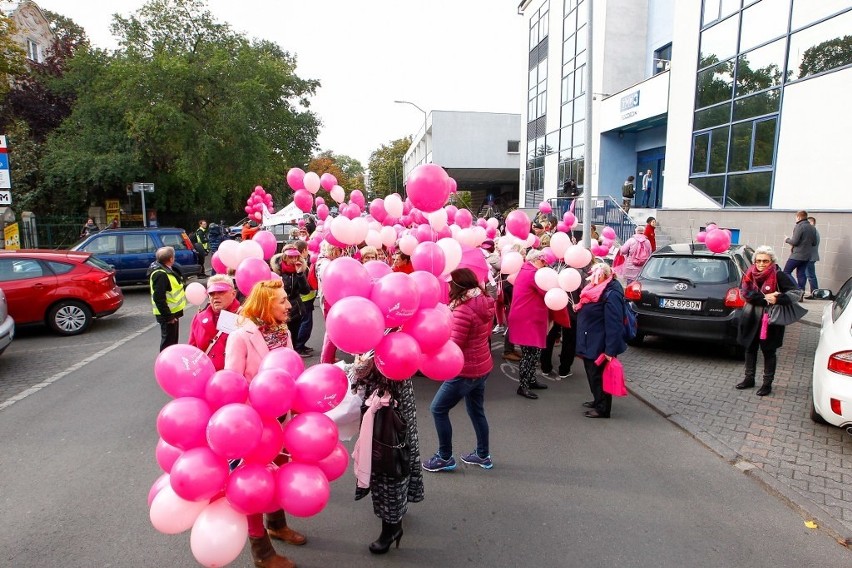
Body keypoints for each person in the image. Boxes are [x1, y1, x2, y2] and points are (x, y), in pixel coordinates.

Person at [224, 279, 306, 568]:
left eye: (286, 299)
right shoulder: (240, 336)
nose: (288, 304)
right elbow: (231, 384)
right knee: (254, 483)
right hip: (252, 425)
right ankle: (262, 551)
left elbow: (291, 371)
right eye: (282, 300)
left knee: (281, 470)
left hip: (280, 419)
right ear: (265, 304)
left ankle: (276, 524)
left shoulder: (282, 331)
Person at [348, 355, 424, 554]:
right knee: (397, 456)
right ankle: (398, 511)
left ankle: (391, 529)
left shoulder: (388, 342)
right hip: (391, 403)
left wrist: (360, 366)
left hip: (388, 408)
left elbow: (366, 372)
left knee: (388, 462)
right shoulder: (388, 336)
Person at [423, 268, 495, 472]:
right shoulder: (483, 300)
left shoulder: (463, 309)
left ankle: (445, 457)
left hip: (466, 370)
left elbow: (455, 344)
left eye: (450, 283)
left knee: (438, 409)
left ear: (458, 286)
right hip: (482, 364)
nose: (447, 287)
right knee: (476, 411)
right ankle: (483, 455)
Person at [736, 246, 798, 397]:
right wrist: (762, 298)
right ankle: (749, 379)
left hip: (770, 320)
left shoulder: (779, 275)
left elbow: (796, 293)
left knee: (769, 351)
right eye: (758, 261)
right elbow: (743, 293)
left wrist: (778, 298)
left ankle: (766, 384)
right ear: (754, 261)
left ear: (771, 261)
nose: (761, 264)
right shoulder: (748, 273)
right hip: (750, 316)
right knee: (750, 348)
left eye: (765, 261)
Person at [575, 262, 628, 418]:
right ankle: (597, 400)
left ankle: (603, 408)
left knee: (598, 375)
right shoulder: (599, 289)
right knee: (592, 373)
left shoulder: (611, 294)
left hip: (600, 343)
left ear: (604, 276)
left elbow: (614, 324)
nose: (592, 279)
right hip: (591, 339)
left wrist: (610, 350)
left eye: (596, 276)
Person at [507, 249, 551, 399]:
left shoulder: (527, 269)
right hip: (527, 318)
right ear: (536, 260)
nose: (545, 264)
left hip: (529, 317)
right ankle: (523, 385)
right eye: (543, 261)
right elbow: (546, 292)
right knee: (529, 353)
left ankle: (531, 380)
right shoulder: (533, 274)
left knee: (534, 352)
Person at [188, 275, 240, 370]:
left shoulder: (244, 317)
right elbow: (192, 351)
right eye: (211, 293)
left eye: (221, 292)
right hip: (205, 377)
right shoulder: (199, 318)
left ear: (233, 294)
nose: (216, 297)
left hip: (233, 378)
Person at [270, 245, 311, 357]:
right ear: (284, 257)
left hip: (295, 308)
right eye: (291, 257)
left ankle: (292, 354)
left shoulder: (299, 269)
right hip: (279, 307)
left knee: (293, 333)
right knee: (280, 334)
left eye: (296, 257)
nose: (294, 260)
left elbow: (305, 291)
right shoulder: (277, 271)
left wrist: (299, 274)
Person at [148, 246, 186, 352]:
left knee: (172, 342)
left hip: (172, 313)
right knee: (168, 343)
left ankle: (171, 362)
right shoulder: (160, 274)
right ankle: (165, 364)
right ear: (171, 259)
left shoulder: (165, 270)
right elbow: (159, 298)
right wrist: (169, 317)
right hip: (168, 315)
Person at [317, 242, 344, 364]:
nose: (341, 253)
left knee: (333, 330)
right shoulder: (326, 263)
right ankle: (326, 360)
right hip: (329, 299)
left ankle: (329, 357)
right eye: (339, 250)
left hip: (329, 298)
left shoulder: (323, 261)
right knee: (331, 331)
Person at [783, 210, 817, 291]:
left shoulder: (799, 226)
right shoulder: (812, 228)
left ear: (798, 217)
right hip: (807, 256)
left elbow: (794, 241)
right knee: (801, 274)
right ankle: (801, 291)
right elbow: (814, 243)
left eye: (796, 217)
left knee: (786, 272)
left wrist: (787, 239)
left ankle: (797, 289)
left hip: (797, 255)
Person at [294, 240, 317, 356]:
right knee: (306, 323)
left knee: (305, 323)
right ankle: (299, 346)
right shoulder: (300, 263)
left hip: (306, 299)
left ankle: (301, 345)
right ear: (303, 250)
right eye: (307, 250)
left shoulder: (299, 262)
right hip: (305, 299)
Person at [805, 216, 820, 298]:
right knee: (810, 275)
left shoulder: (813, 232)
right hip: (810, 256)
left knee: (810, 275)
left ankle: (814, 293)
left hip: (810, 257)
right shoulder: (814, 231)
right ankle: (814, 293)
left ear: (812, 223)